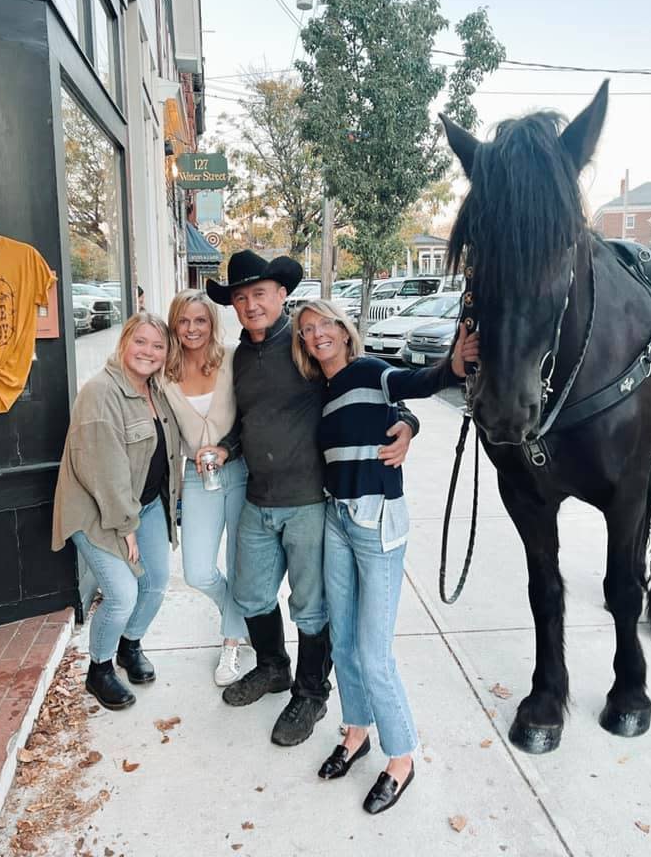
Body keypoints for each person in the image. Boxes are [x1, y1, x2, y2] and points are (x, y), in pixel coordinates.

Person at [203, 250, 419, 748]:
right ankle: (274, 668)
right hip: (259, 498)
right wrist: (225, 446)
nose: (251, 304)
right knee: (252, 594)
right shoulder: (240, 359)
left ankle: (311, 692)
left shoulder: (305, 348)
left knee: (310, 606)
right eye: (240, 297)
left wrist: (406, 422)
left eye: (259, 293)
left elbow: (370, 384)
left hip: (308, 502)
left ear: (281, 295)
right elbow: (248, 422)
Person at [292, 299, 478, 815]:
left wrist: (454, 366)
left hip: (376, 523)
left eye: (325, 324)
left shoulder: (369, 371)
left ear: (345, 331)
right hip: (336, 519)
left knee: (375, 653)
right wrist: (406, 423)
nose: (317, 334)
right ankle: (356, 731)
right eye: (307, 330)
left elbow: (413, 385)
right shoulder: (321, 391)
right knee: (345, 642)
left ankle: (401, 757)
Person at [52, 313, 181, 710]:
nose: (148, 352)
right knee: (122, 594)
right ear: (124, 342)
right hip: (96, 511)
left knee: (156, 583)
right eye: (140, 342)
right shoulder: (100, 392)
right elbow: (103, 471)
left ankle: (129, 645)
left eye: (157, 346)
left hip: (144, 506)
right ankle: (100, 669)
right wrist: (127, 530)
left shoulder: (154, 390)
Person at [164, 289, 247, 686]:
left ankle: (232, 641)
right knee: (198, 571)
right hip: (197, 479)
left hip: (242, 471)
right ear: (174, 324)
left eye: (200, 320)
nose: (192, 328)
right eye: (184, 320)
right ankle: (243, 610)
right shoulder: (164, 373)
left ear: (212, 324)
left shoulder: (232, 359)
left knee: (237, 561)